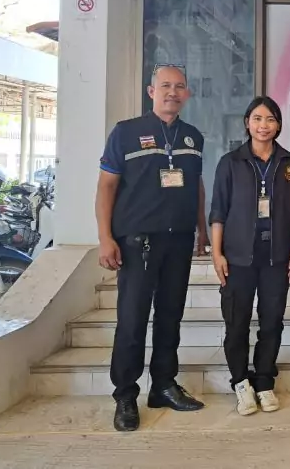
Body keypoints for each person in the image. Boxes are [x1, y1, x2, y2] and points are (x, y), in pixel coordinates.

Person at [96, 65, 209, 432]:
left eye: (179, 86)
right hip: (137, 243)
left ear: (187, 93)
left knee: (170, 316)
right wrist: (105, 237)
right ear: (151, 91)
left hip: (179, 241)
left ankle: (163, 385)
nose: (172, 92)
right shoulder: (126, 132)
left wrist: (202, 229)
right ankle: (125, 395)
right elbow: (107, 186)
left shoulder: (193, 137)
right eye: (165, 86)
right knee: (132, 320)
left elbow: (196, 185)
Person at [209, 96, 290, 417]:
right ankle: (240, 382)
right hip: (238, 258)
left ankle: (264, 381)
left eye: (270, 119)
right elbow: (218, 211)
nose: (263, 126)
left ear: (278, 125)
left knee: (272, 321)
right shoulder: (231, 162)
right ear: (247, 123)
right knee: (236, 323)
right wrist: (217, 254)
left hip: (276, 257)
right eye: (257, 119)